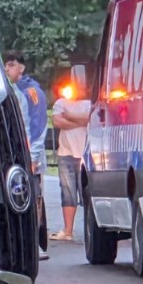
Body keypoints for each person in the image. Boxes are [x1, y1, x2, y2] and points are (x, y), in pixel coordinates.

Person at [5, 51, 49, 259]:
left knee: (33, 198)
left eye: (11, 65)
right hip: (17, 157)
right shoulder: (11, 90)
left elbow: (38, 126)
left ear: (21, 67)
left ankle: (35, 244)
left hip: (30, 157)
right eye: (5, 66)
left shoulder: (31, 92)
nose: (7, 70)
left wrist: (33, 157)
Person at [50, 81, 91, 242]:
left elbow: (91, 117)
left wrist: (69, 117)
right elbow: (57, 121)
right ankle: (68, 231)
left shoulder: (89, 104)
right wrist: (81, 121)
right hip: (66, 154)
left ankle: (91, 231)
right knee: (67, 193)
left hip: (86, 155)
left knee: (87, 194)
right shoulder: (61, 103)